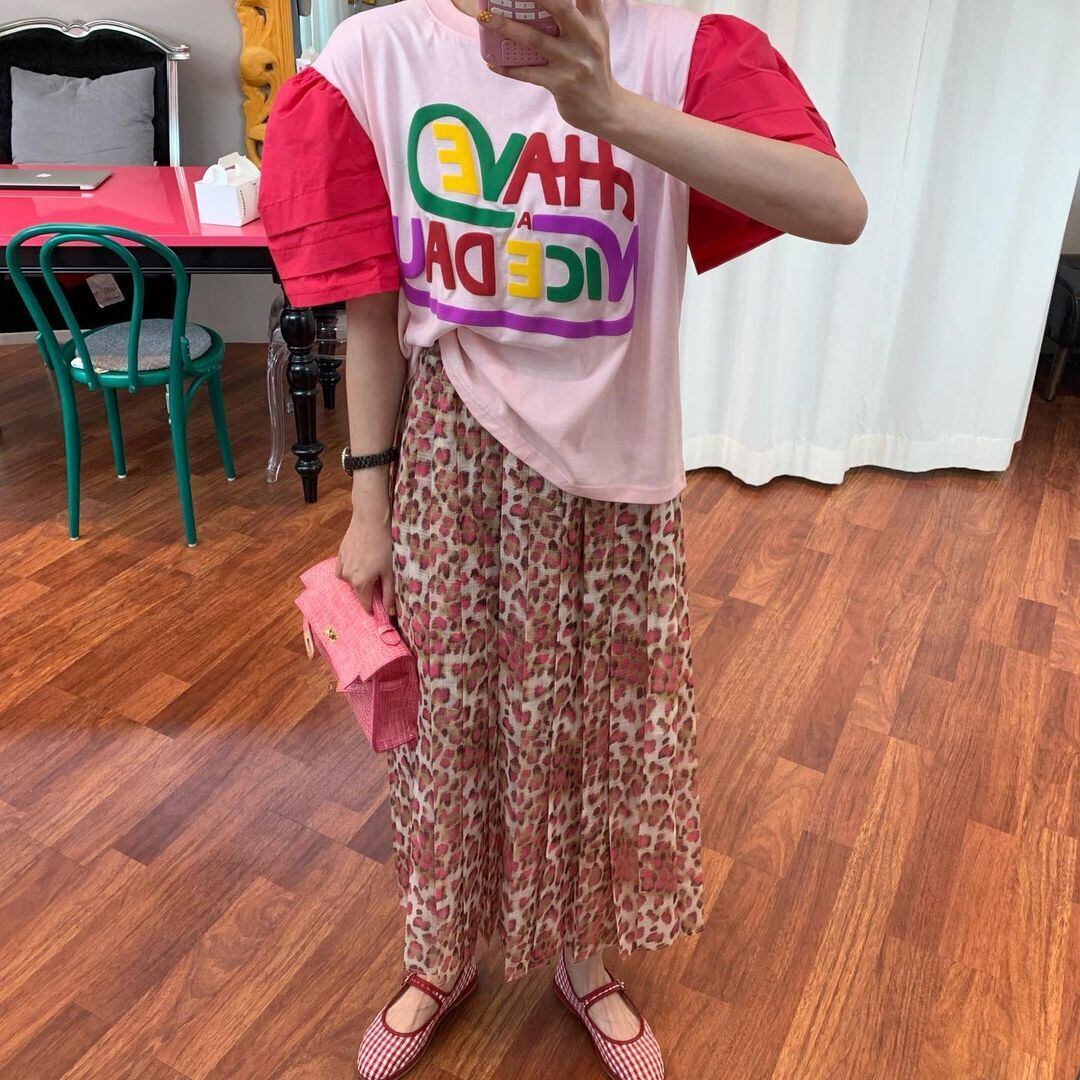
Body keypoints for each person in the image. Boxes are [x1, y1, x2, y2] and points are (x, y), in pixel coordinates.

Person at [259, 0, 866, 1075]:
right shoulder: (378, 55)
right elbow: (371, 308)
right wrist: (366, 508)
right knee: (442, 730)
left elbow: (837, 206)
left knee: (598, 730)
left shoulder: (673, 47)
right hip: (451, 454)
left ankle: (583, 959)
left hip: (613, 468)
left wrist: (609, 108)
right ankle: (438, 956)